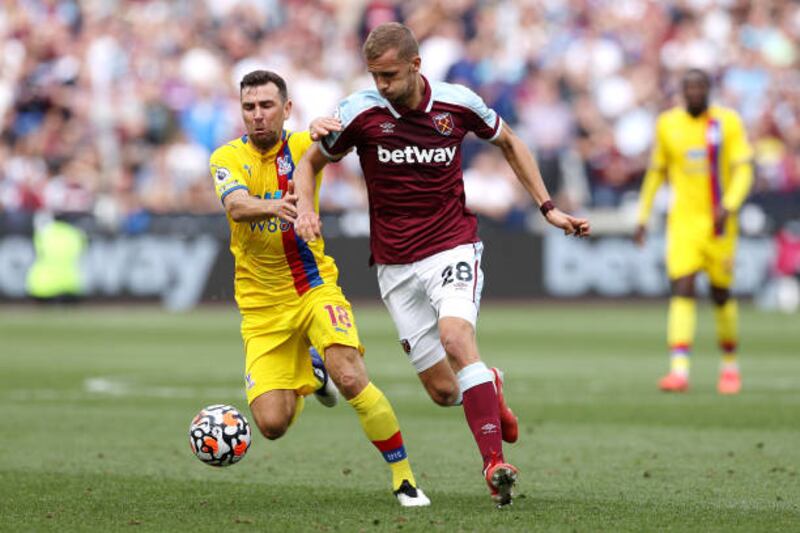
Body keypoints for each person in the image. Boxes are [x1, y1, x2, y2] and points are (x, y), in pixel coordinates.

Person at [293, 23, 591, 507]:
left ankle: (494, 464)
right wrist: (306, 208)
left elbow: (510, 141)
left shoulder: (458, 103)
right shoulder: (360, 112)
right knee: (443, 391)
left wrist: (547, 207)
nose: (382, 86)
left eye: (390, 75)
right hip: (394, 264)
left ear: (415, 66)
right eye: (374, 76)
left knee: (457, 338)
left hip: (452, 245)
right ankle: (489, 386)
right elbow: (309, 164)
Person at [209, 69, 429, 507]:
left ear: (286, 109)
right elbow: (235, 206)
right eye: (249, 107)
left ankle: (404, 478)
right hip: (261, 307)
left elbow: (352, 126)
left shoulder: (305, 146)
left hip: (313, 286)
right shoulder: (225, 158)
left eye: (266, 106)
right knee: (271, 424)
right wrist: (277, 205)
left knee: (349, 374)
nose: (257, 116)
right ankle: (312, 370)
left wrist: (325, 126)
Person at [635, 68, 753, 394]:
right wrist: (642, 216)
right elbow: (656, 173)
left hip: (719, 224)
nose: (696, 92)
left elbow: (744, 169)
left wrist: (729, 204)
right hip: (684, 223)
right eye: (690, 88)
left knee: (720, 293)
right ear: (682, 92)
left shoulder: (726, 123)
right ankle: (679, 370)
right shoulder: (668, 124)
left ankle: (730, 367)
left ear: (709, 90)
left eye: (701, 86)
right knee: (682, 287)